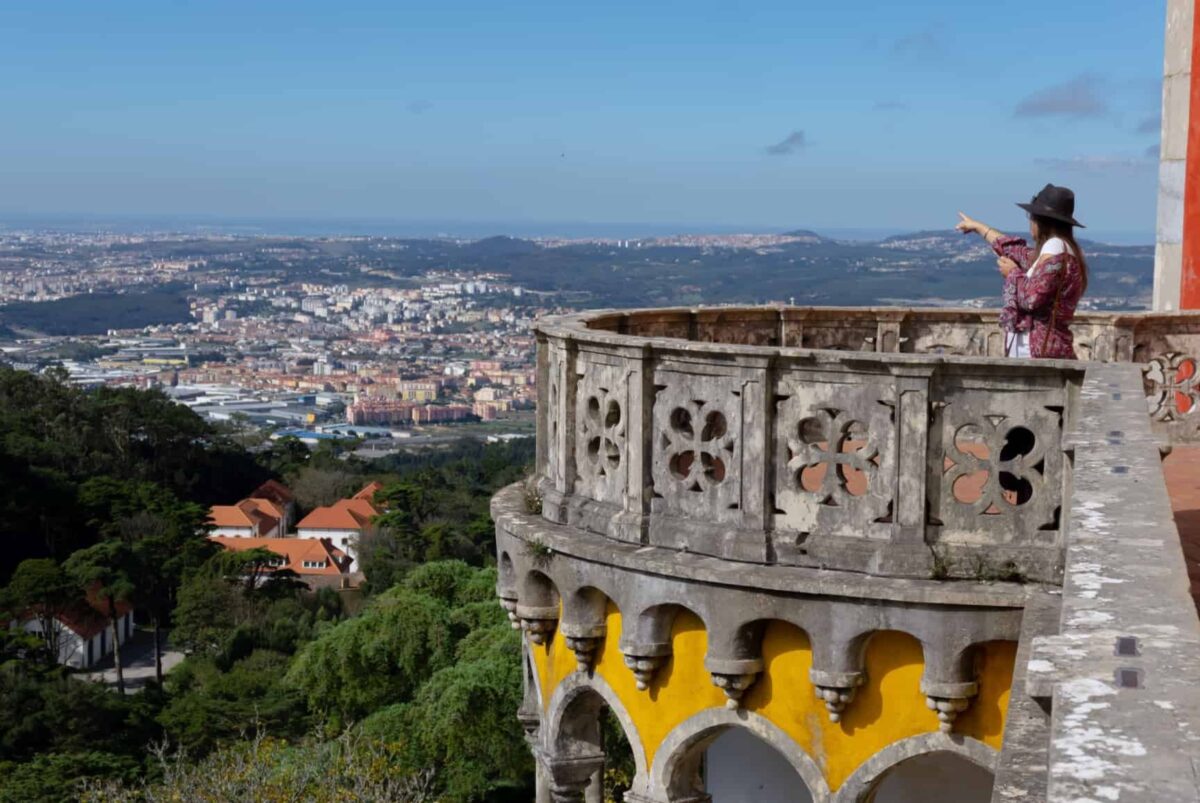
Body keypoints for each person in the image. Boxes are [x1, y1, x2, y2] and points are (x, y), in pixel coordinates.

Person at [955, 183, 1089, 359]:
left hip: (1039, 352)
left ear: (1041, 221)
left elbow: (1032, 299)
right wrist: (979, 227)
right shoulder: (1057, 252)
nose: (1030, 223)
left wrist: (1012, 273)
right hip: (1039, 350)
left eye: (1031, 217)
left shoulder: (1056, 252)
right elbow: (1017, 252)